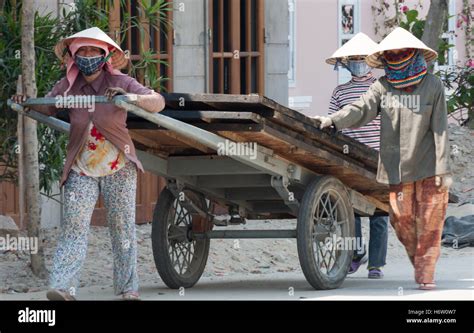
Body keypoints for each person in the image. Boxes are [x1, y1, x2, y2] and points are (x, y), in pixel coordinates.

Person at [12, 27, 166, 300]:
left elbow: (158, 102)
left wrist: (131, 98)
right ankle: (62, 287)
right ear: (73, 56)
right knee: (74, 226)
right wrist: (26, 102)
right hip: (81, 169)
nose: (87, 56)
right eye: (82, 51)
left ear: (104, 55)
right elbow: (47, 105)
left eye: (94, 50)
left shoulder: (121, 82)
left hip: (119, 165)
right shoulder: (68, 86)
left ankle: (128, 289)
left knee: (122, 229)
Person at [314, 27, 452, 290]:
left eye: (401, 52)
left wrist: (444, 169)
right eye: (392, 52)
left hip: (430, 167)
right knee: (401, 221)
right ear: (386, 56)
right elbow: (360, 109)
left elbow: (441, 128)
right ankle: (421, 261)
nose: (397, 55)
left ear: (413, 53)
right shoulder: (382, 86)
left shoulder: (433, 86)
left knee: (431, 224)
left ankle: (426, 274)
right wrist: (332, 120)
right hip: (396, 168)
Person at [325, 32, 388, 279]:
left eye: (363, 57)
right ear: (346, 62)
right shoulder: (339, 92)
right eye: (353, 58)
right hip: (350, 157)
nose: (358, 62)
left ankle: (376, 264)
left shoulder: (382, 88)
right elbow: (333, 123)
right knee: (351, 210)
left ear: (372, 60)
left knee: (379, 212)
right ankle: (354, 255)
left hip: (379, 156)